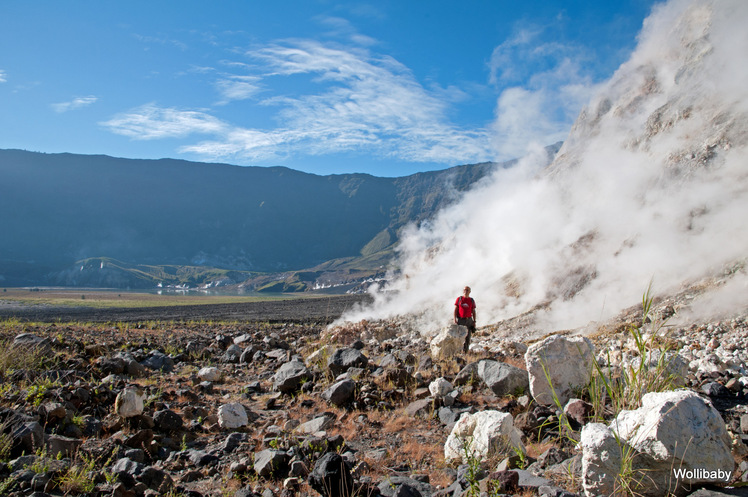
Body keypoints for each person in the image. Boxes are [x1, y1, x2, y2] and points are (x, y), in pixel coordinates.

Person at [454, 286, 476, 352]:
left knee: (468, 337)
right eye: (465, 290)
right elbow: (455, 309)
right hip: (461, 320)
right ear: (463, 291)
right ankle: (458, 351)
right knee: (459, 336)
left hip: (469, 320)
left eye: (467, 290)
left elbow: (473, 311)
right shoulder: (459, 299)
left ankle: (465, 352)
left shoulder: (471, 300)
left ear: (469, 292)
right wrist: (455, 319)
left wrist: (474, 321)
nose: (465, 291)